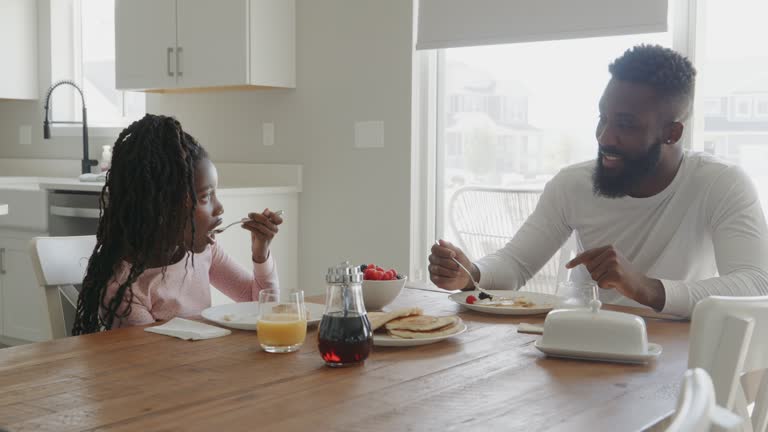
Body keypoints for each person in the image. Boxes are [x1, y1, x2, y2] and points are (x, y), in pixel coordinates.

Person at [429, 45, 768, 318]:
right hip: (589, 339)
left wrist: (647, 288)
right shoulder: (572, 185)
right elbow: (516, 264)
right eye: (602, 118)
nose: (606, 136)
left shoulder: (722, 184)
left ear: (671, 133)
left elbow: (756, 283)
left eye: (625, 124)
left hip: (681, 351)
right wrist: (471, 273)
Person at [72, 114, 282, 334]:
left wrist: (261, 253)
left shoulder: (204, 254)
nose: (219, 208)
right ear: (163, 207)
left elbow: (262, 306)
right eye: (205, 197)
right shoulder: (127, 291)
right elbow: (154, 361)